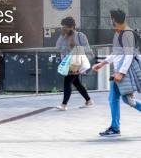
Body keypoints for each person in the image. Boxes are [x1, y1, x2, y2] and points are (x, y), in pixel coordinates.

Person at [93, 9, 141, 137]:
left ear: (114, 19)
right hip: (119, 72)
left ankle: (115, 128)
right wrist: (103, 63)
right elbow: (117, 54)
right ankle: (115, 127)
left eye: (110, 18)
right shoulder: (119, 33)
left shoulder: (127, 34)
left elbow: (129, 55)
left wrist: (121, 73)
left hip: (124, 73)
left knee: (121, 99)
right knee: (121, 99)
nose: (110, 21)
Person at [55, 16, 94, 111]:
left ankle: (64, 105)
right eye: (63, 26)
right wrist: (61, 36)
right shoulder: (63, 37)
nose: (64, 28)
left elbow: (88, 49)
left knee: (67, 81)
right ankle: (88, 101)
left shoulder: (80, 36)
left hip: (77, 62)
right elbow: (58, 48)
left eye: (65, 27)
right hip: (68, 63)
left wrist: (75, 46)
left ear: (72, 26)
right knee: (77, 83)